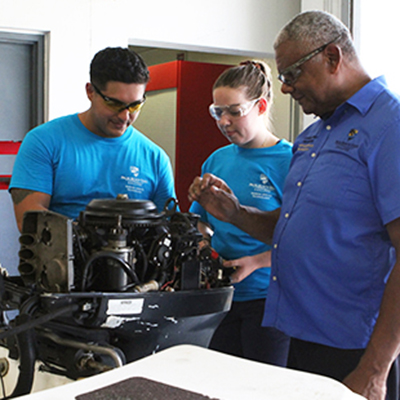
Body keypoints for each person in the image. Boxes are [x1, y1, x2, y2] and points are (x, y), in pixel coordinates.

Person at [188, 10, 400, 400]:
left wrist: (375, 369)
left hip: (356, 346)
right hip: (299, 334)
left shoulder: (391, 125)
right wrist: (234, 213)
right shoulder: (315, 135)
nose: (284, 88)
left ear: (333, 58)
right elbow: (292, 230)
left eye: (292, 75)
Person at [189, 60, 292, 366]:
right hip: (220, 299)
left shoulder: (290, 162)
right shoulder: (217, 160)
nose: (224, 121)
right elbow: (199, 221)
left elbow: (305, 238)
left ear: (260, 106)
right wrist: (203, 245)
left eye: (234, 111)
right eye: (217, 112)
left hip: (269, 299)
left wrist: (257, 262)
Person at [9, 47, 176, 231]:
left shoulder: (155, 158)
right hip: (62, 258)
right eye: (114, 103)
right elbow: (29, 221)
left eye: (135, 106)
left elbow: (169, 227)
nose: (124, 116)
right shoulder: (43, 142)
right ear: (90, 92)